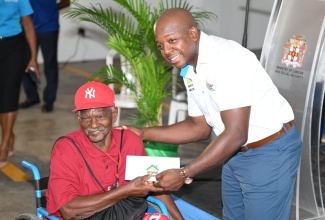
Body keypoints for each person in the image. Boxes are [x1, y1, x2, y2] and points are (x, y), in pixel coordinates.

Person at [121, 8, 303, 220]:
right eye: (160, 45)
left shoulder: (226, 59)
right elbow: (198, 127)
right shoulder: (190, 67)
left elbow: (236, 133)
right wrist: (142, 133)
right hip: (233, 154)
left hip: (269, 152)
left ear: (193, 34)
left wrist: (184, 173)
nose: (166, 51)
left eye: (172, 40)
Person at [46, 81, 184, 220]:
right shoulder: (66, 148)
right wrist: (124, 191)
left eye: (100, 116)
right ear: (78, 117)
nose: (93, 125)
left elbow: (153, 184)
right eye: (86, 118)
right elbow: (69, 211)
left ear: (114, 114)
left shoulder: (130, 141)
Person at [0, 0, 39, 168]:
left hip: (13, 47)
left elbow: (28, 25)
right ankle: (10, 135)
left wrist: (33, 57)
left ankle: (4, 144)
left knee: (9, 96)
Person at [19, 0, 70, 113]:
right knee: (25, 62)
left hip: (49, 27)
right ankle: (32, 97)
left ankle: (49, 99)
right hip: (27, 26)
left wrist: (51, 10)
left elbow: (67, 2)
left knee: (50, 63)